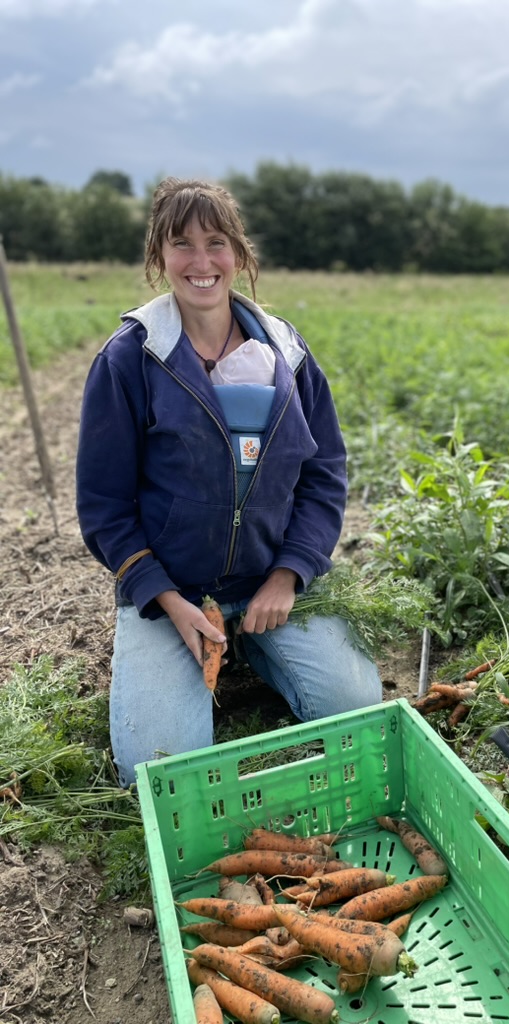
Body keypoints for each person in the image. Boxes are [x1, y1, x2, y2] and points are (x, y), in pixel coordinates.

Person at [76, 177, 382, 787]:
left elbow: (324, 474)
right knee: (158, 772)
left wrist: (289, 574)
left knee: (357, 710)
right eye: (181, 244)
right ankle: (201, 643)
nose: (201, 261)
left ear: (238, 254)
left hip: (269, 581)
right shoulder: (131, 359)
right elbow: (104, 505)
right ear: (158, 257)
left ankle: (253, 641)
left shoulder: (287, 354)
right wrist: (166, 599)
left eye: (216, 242)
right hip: (173, 592)